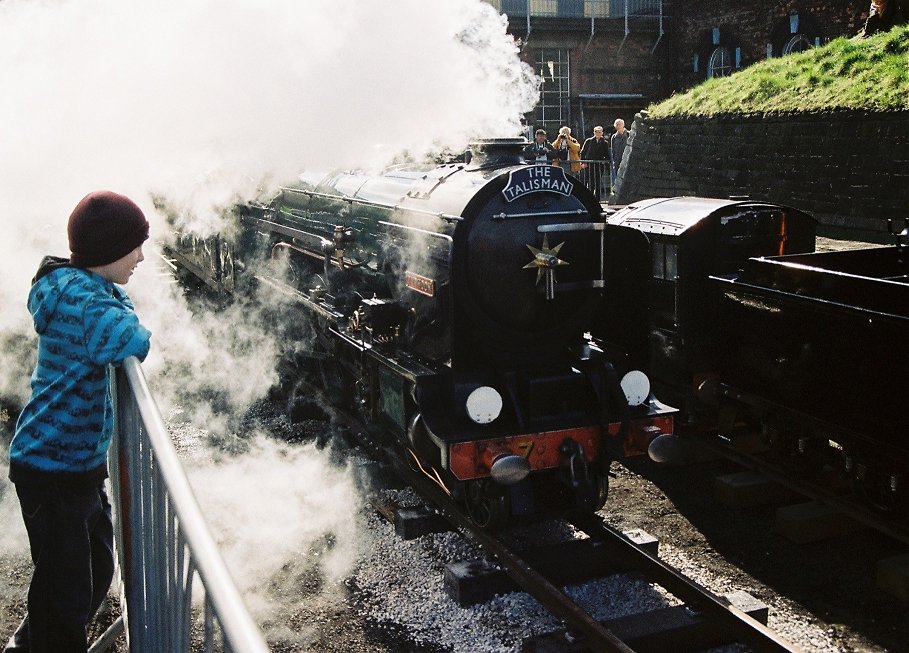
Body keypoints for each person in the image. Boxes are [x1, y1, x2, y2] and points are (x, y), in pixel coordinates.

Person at [5, 191, 152, 653]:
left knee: (94, 571)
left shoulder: (76, 289)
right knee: (64, 592)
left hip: (72, 467)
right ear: (108, 251)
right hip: (54, 471)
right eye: (135, 246)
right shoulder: (87, 304)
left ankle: (29, 644)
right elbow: (133, 340)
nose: (142, 257)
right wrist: (124, 305)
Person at [580, 125, 610, 201]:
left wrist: (605, 162)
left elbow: (607, 155)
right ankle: (590, 199)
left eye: (599, 132)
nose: (598, 133)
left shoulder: (604, 143)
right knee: (590, 183)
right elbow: (583, 152)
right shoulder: (589, 141)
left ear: (602, 133)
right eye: (596, 132)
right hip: (589, 165)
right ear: (594, 133)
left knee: (598, 183)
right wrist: (583, 162)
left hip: (599, 166)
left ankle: (597, 199)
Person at [609, 118, 629, 190]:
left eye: (620, 124)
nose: (618, 126)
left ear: (623, 125)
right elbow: (612, 149)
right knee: (618, 176)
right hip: (617, 159)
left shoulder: (628, 134)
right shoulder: (614, 137)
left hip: (627, 159)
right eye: (617, 124)